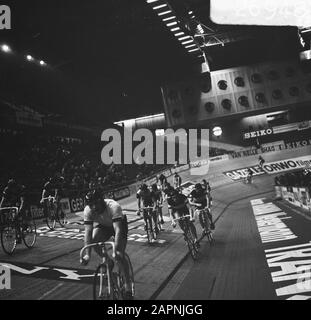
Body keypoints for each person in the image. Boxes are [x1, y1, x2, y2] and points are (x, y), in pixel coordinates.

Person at [80, 189, 133, 300]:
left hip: (119, 225)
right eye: (91, 204)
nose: (94, 207)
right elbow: (88, 233)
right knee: (94, 238)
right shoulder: (88, 210)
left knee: (119, 256)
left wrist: (116, 250)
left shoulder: (114, 206)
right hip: (104, 226)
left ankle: (128, 286)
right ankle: (107, 260)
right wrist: (87, 255)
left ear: (102, 201)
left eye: (96, 203)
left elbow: (118, 230)